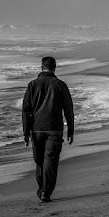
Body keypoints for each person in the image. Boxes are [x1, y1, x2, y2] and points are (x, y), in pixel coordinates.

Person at [22, 56, 74, 202]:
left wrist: (26, 133)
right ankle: (45, 191)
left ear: (41, 67)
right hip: (54, 129)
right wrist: (70, 130)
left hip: (37, 130)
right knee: (50, 161)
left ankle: (43, 190)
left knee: (39, 161)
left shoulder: (32, 85)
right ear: (54, 68)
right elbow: (68, 109)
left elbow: (26, 110)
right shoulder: (60, 85)